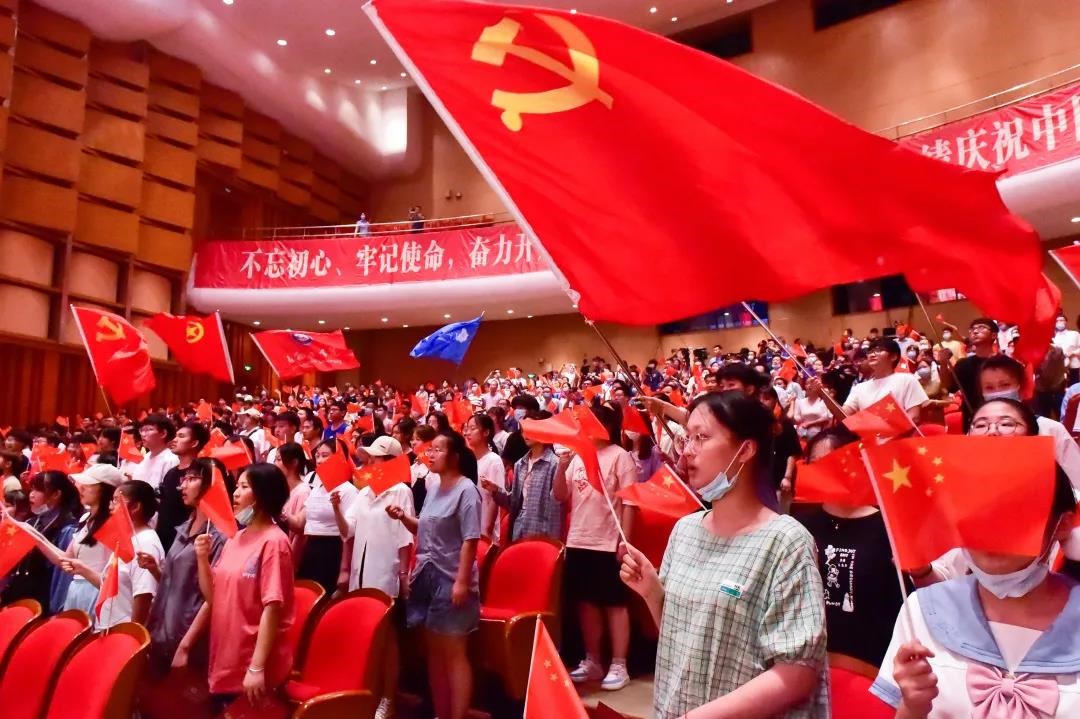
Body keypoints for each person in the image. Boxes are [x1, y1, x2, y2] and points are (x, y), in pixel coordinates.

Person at [620, 391, 829, 718]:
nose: (687, 451)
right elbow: (682, 637)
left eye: (701, 437)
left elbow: (797, 673)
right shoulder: (685, 530)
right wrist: (652, 592)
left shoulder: (785, 542)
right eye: (687, 438)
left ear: (745, 449)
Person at [872, 466, 1080, 717]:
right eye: (975, 513)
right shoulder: (923, 611)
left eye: (1014, 513)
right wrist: (912, 707)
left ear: (1061, 524)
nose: (991, 530)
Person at [387, 431, 481, 719]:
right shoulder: (433, 487)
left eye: (438, 450)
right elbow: (424, 528)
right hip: (426, 578)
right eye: (431, 449)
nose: (431, 454)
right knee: (435, 656)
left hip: (451, 578)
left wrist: (461, 582)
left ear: (455, 456)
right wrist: (403, 517)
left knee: (453, 653)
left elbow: (471, 539)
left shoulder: (467, 490)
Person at [794, 427, 907, 667]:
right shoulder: (800, 524)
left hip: (870, 662)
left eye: (831, 461)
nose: (822, 470)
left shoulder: (889, 528)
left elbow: (899, 604)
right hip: (806, 658)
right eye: (815, 462)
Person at [196, 463, 294, 710]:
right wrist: (202, 559)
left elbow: (272, 607)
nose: (235, 493)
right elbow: (213, 596)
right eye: (236, 486)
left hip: (250, 659)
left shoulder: (275, 542)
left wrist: (257, 667)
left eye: (243, 487)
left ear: (262, 494)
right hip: (225, 651)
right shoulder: (235, 538)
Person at [554, 405, 638, 691]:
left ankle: (619, 664)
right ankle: (593, 660)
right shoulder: (578, 456)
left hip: (608, 541)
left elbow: (630, 503)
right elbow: (560, 495)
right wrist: (562, 465)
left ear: (607, 426)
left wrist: (625, 541)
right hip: (578, 539)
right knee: (586, 603)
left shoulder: (620, 456)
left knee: (614, 604)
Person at [336, 436, 414, 719]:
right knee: (364, 637)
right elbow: (348, 530)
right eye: (368, 458)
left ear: (391, 461)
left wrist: (403, 574)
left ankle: (388, 699)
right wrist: (336, 508)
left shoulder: (401, 491)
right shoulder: (364, 491)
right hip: (361, 574)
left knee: (387, 639)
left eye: (375, 458)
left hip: (385, 573)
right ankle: (366, 694)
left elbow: (405, 538)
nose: (369, 463)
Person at [143, 459, 227, 675]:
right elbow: (176, 581)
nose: (182, 486)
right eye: (184, 479)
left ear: (212, 484)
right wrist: (155, 569)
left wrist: (186, 645)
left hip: (186, 636)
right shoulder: (184, 527)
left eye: (192, 479)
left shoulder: (219, 536)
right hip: (162, 628)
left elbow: (213, 597)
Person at [28, 463, 121, 620]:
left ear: (105, 490)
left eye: (89, 485)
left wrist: (84, 571)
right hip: (76, 590)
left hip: (96, 592)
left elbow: (112, 577)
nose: (81, 488)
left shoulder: (114, 524)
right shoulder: (85, 519)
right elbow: (65, 559)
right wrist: (34, 535)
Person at [1, 470, 80, 612]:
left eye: (38, 490)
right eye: (31, 489)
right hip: (18, 592)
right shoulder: (31, 521)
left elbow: (63, 572)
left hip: (44, 599)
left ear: (56, 494)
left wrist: (56, 607)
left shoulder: (67, 528)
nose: (31, 494)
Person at [483, 410, 563, 542]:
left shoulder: (554, 464)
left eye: (531, 429)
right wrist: (496, 490)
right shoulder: (520, 464)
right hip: (519, 527)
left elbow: (557, 506)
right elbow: (514, 502)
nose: (526, 434)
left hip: (542, 531)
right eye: (524, 430)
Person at [97, 480, 164, 628]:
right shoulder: (127, 538)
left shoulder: (146, 543)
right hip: (109, 628)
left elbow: (144, 595)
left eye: (116, 501)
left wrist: (131, 635)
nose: (110, 506)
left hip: (123, 631)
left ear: (135, 507)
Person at [295, 438, 359, 594]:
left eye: (325, 455)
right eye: (317, 455)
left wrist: (344, 570)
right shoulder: (317, 487)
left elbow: (348, 535)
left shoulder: (348, 490)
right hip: (311, 548)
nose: (319, 460)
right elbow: (299, 523)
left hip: (332, 550)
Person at [833, 338, 928, 423]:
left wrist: (886, 431)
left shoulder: (907, 380)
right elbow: (844, 415)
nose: (872, 354)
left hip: (901, 435)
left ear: (893, 356)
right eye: (870, 351)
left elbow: (914, 416)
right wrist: (826, 398)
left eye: (879, 350)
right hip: (868, 435)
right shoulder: (859, 388)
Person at [158, 421, 209, 552]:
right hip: (163, 538)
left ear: (194, 443)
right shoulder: (171, 472)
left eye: (181, 436)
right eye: (175, 436)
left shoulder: (202, 474)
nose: (174, 440)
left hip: (184, 541)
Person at [464, 413, 504, 544]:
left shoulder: (494, 460)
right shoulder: (467, 460)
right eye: (467, 429)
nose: (467, 433)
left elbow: (495, 498)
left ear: (486, 432)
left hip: (484, 527)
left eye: (473, 428)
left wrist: (487, 529)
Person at [273, 442, 311, 558]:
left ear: (294, 462)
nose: (275, 464)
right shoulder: (278, 488)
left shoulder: (303, 491)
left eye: (279, 459)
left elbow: (299, 530)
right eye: (275, 459)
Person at [129, 414, 179, 491]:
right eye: (142, 430)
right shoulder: (145, 457)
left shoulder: (171, 459)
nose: (143, 434)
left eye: (149, 430)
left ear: (163, 433)